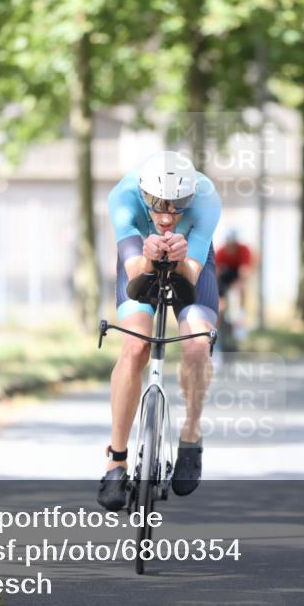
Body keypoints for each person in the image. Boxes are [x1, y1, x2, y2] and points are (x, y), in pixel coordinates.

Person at [97, 151, 221, 511]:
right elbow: (134, 272)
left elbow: (192, 275)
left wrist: (181, 258)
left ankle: (191, 434)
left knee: (197, 344)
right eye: (157, 204)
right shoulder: (123, 197)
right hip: (140, 258)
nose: (167, 217)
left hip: (191, 259)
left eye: (178, 206)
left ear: (191, 197)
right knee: (135, 346)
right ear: (142, 193)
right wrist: (150, 257)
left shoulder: (207, 199)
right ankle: (116, 460)